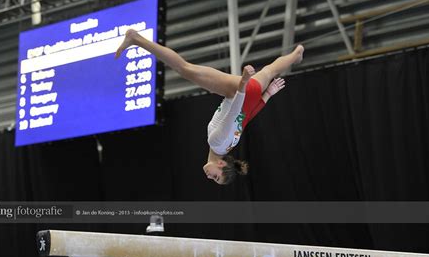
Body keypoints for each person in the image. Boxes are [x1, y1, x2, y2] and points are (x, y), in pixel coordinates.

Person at [115, 29, 304, 185]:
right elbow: (235, 111)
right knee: (184, 68)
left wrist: (267, 95)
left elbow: (246, 118)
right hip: (238, 92)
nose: (209, 176)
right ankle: (136, 39)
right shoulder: (218, 142)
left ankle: (296, 54)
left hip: (252, 95)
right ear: (221, 164)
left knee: (270, 70)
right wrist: (244, 82)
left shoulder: (229, 145)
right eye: (215, 176)